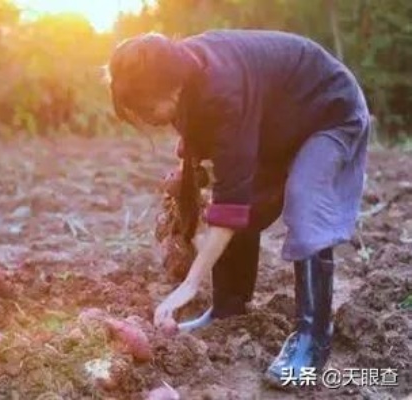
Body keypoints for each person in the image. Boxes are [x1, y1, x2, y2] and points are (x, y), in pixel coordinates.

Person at [106, 29, 370, 386]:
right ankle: (228, 307)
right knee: (245, 203)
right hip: (278, 124)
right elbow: (218, 163)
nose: (148, 118)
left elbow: (230, 204)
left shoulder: (223, 90)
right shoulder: (181, 73)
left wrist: (190, 283)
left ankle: (313, 337)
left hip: (328, 112)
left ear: (172, 87)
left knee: (305, 203)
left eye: (149, 108)